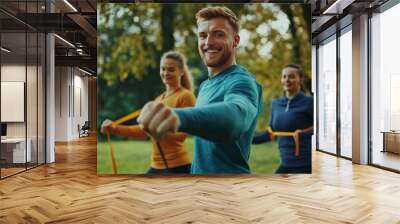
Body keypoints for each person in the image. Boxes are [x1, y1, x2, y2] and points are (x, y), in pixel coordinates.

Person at [137, 6, 262, 174]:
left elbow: (236, 117)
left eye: (219, 34)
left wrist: (178, 116)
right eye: (203, 35)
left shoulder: (242, 81)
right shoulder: (205, 85)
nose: (208, 42)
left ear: (236, 40)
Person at [100, 51, 196, 174]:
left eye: (171, 69)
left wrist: (157, 132)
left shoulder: (185, 96)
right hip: (156, 165)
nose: (166, 73)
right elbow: (143, 131)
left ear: (181, 72)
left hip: (177, 166)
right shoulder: (158, 100)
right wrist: (114, 128)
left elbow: (183, 135)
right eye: (163, 69)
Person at [252, 64, 313, 174]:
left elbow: (322, 133)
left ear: (301, 80)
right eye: (284, 76)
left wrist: (304, 134)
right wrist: (244, 138)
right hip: (285, 163)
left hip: (306, 164)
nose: (287, 80)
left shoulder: (310, 102)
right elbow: (270, 134)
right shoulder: (276, 104)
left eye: (291, 76)